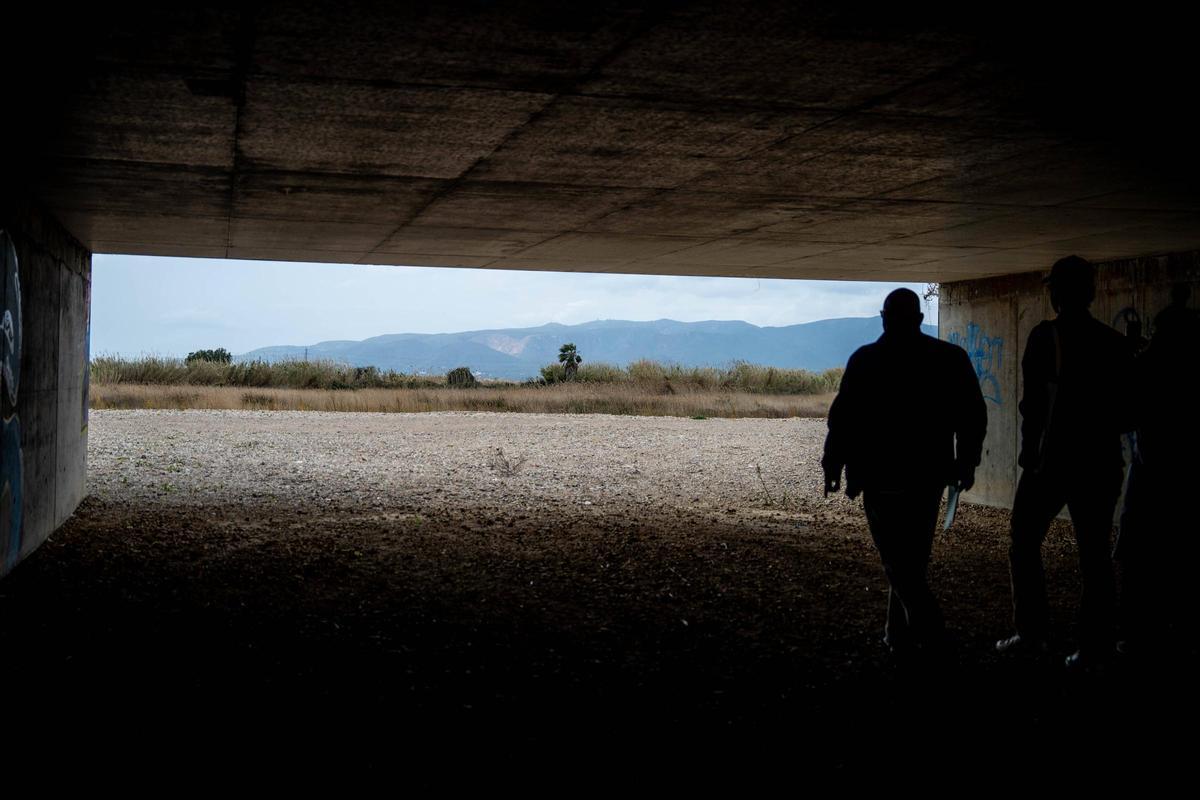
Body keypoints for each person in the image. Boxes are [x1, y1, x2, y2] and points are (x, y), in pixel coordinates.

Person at [823, 288, 987, 660]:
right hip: (928, 476)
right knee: (911, 558)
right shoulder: (949, 358)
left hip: (878, 477)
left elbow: (843, 420)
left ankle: (928, 633)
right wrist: (966, 462)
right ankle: (899, 634)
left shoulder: (865, 360)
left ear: (884, 319)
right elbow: (973, 416)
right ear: (919, 319)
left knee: (897, 560)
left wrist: (833, 464)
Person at [996, 255, 1135, 670]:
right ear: (1090, 293)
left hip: (1051, 462)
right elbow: (1128, 413)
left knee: (1024, 542)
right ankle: (1096, 644)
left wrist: (1029, 453)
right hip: (1100, 464)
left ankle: (1032, 633)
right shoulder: (1113, 343)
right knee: (1095, 555)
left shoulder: (1045, 337)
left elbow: (1032, 406)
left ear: (1055, 293)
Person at [1113, 285, 1200, 657]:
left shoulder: (1148, 367)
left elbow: (1121, 416)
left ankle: (1138, 632)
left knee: (1138, 555)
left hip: (1151, 473)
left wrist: (1131, 361)